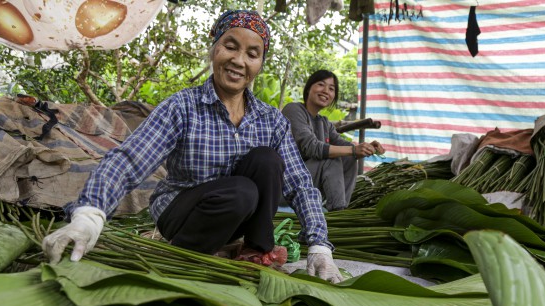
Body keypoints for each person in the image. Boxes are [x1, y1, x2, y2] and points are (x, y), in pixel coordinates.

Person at [41, 10, 344, 283]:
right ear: (214, 48)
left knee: (267, 160)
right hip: (182, 213)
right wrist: (89, 214)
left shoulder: (271, 120)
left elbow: (300, 185)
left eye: (252, 53)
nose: (239, 60)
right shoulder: (182, 107)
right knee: (241, 191)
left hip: (236, 214)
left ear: (260, 64)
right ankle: (185, 252)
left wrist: (319, 245)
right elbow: (129, 159)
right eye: (230, 46)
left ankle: (254, 250)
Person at [282, 70, 385, 211]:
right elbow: (310, 147)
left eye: (331, 89)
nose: (326, 91)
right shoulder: (294, 110)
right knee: (331, 159)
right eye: (320, 85)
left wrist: (365, 148)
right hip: (287, 184)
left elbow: (345, 146)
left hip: (308, 183)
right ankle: (337, 210)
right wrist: (353, 150)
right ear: (309, 88)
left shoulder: (324, 123)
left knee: (349, 158)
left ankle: (341, 208)